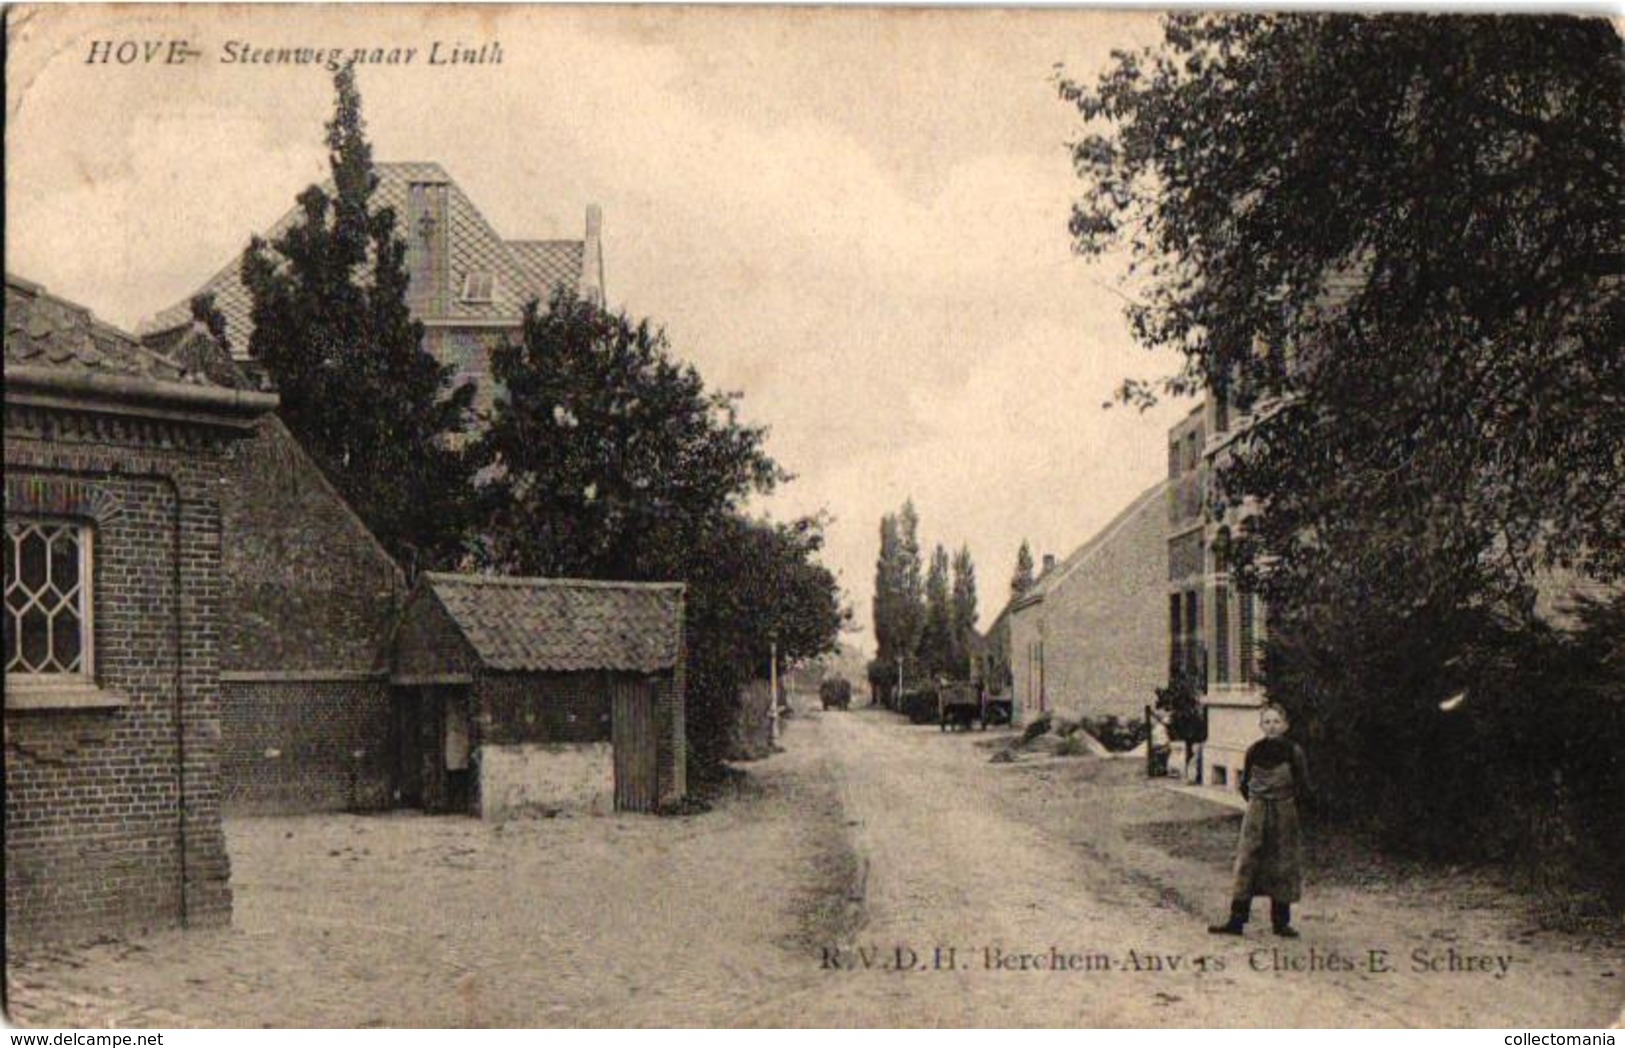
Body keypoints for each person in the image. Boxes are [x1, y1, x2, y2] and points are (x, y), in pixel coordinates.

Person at [1208, 702, 1312, 937]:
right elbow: (1245, 785)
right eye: (1267, 722)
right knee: (1247, 862)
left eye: (1276, 722)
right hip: (1256, 813)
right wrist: (1258, 804)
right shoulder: (1253, 751)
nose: (1272, 726)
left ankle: (1281, 923)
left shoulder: (1294, 751)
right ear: (1261, 725)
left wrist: (1287, 806)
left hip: (1285, 813)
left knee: (1283, 863)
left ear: (1285, 725)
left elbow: (1303, 785)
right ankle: (1236, 921)